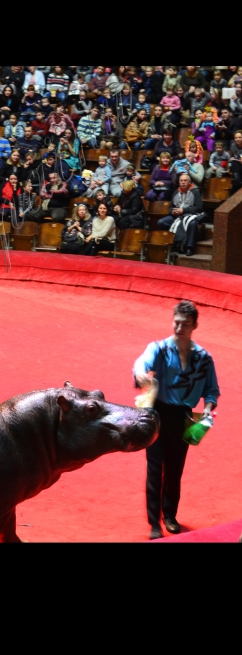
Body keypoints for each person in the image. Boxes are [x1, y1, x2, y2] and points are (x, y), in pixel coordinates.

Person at [134, 300, 220, 540]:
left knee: (174, 470)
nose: (179, 328)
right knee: (154, 469)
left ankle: (169, 515)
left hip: (183, 416)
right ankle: (154, 523)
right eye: (176, 322)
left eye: (185, 324)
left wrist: (208, 409)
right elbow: (142, 362)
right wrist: (141, 373)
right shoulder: (159, 349)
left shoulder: (204, 359)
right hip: (157, 414)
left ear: (195, 326)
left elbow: (211, 390)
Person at [157, 173, 205, 256]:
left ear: (189, 182)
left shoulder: (195, 192)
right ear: (179, 182)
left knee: (192, 224)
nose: (183, 182)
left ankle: (189, 247)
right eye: (181, 181)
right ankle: (171, 244)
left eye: (185, 180)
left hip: (189, 216)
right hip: (176, 216)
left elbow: (199, 208)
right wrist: (172, 211)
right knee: (161, 222)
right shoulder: (176, 192)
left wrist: (183, 210)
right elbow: (171, 207)